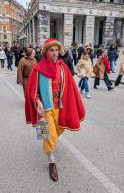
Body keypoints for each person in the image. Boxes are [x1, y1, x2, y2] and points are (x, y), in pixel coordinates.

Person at [25, 38, 86, 182]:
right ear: (46, 52)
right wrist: (37, 101)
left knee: (59, 130)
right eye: (51, 50)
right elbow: (32, 90)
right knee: (48, 135)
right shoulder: (38, 68)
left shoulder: (62, 66)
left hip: (60, 106)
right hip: (44, 108)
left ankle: (48, 143)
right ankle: (51, 162)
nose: (54, 53)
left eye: (56, 50)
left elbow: (70, 86)